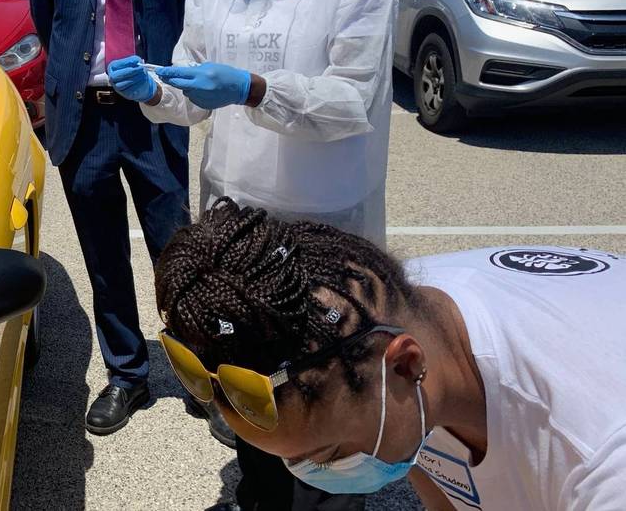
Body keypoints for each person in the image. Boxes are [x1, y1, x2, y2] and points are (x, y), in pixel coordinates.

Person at [108, 0, 399, 508]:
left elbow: (352, 100)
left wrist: (254, 88)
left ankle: (333, 499)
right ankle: (261, 491)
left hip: (324, 213)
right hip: (235, 213)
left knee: (326, 378)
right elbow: (191, 84)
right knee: (248, 370)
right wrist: (156, 91)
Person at [155, 199, 626, 511]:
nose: (312, 479)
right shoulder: (386, 316)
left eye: (329, 455)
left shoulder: (602, 459)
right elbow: (437, 471)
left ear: (405, 364)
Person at [28, 0, 201, 436]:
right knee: (103, 255)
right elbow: (46, 12)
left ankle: (201, 374)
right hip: (85, 114)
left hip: (155, 109)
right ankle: (127, 373)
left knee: (178, 252)